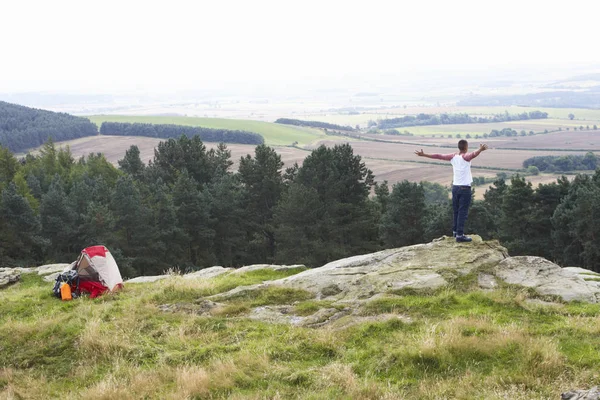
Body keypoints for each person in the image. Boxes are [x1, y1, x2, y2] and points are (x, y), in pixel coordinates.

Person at [414, 140, 489, 242]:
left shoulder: (453, 156)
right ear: (466, 147)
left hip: (455, 188)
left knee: (456, 211)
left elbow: (438, 156)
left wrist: (424, 155)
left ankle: (455, 231)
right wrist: (480, 149)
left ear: (459, 147)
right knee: (463, 211)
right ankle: (460, 235)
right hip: (465, 189)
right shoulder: (465, 157)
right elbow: (473, 154)